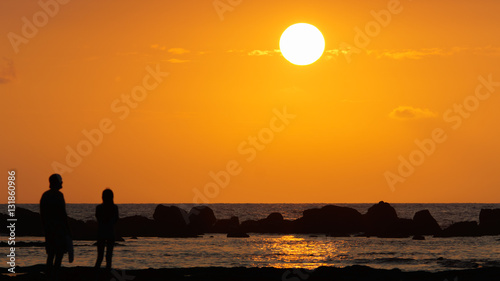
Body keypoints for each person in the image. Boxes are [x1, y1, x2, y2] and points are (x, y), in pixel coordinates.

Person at [40, 174, 71, 279]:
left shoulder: (45, 195)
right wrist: (67, 230)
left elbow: (42, 214)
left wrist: (45, 227)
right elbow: (63, 214)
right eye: (60, 181)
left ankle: (49, 275)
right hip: (58, 230)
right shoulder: (58, 195)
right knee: (59, 253)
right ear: (57, 182)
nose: (62, 183)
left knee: (51, 254)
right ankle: (55, 275)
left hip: (49, 229)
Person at [95, 188, 119, 270]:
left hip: (101, 232)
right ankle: (107, 271)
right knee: (109, 256)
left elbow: (98, 218)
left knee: (100, 256)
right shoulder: (114, 208)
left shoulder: (99, 208)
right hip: (110, 232)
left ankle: (96, 272)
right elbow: (116, 219)